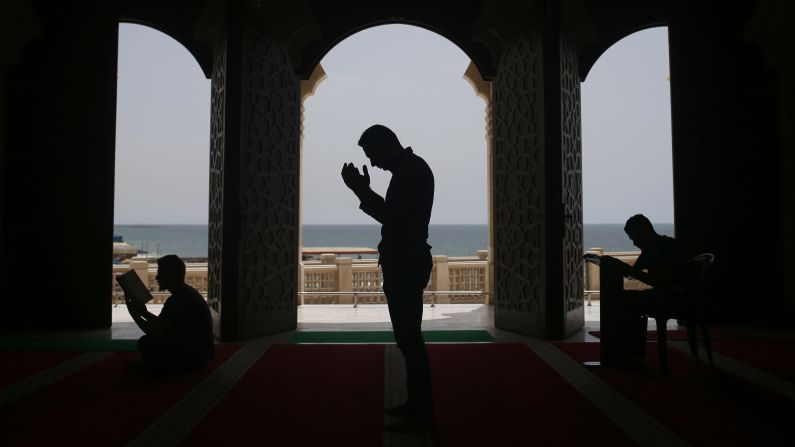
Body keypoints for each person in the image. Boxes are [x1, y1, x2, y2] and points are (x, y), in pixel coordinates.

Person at [341, 125, 434, 431]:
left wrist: (361, 191)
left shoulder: (410, 172)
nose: (375, 163)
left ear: (388, 145)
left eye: (374, 155)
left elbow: (393, 217)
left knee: (409, 339)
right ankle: (416, 404)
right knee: (408, 339)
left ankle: (420, 411)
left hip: (406, 264)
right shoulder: (410, 169)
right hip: (405, 262)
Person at [597, 214, 690, 368]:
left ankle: (630, 354)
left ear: (643, 233)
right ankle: (629, 353)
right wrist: (622, 267)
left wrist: (622, 268)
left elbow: (659, 282)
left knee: (625, 301)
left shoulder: (666, 248)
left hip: (674, 299)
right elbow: (635, 272)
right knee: (625, 299)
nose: (634, 243)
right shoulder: (654, 247)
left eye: (634, 238)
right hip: (667, 294)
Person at [125, 254, 214, 374]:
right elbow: (164, 323)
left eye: (160, 273)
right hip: (203, 355)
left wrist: (133, 314)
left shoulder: (178, 299)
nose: (156, 277)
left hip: (193, 358)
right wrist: (144, 313)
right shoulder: (185, 293)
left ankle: (153, 369)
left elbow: (153, 331)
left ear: (170, 276)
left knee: (146, 343)